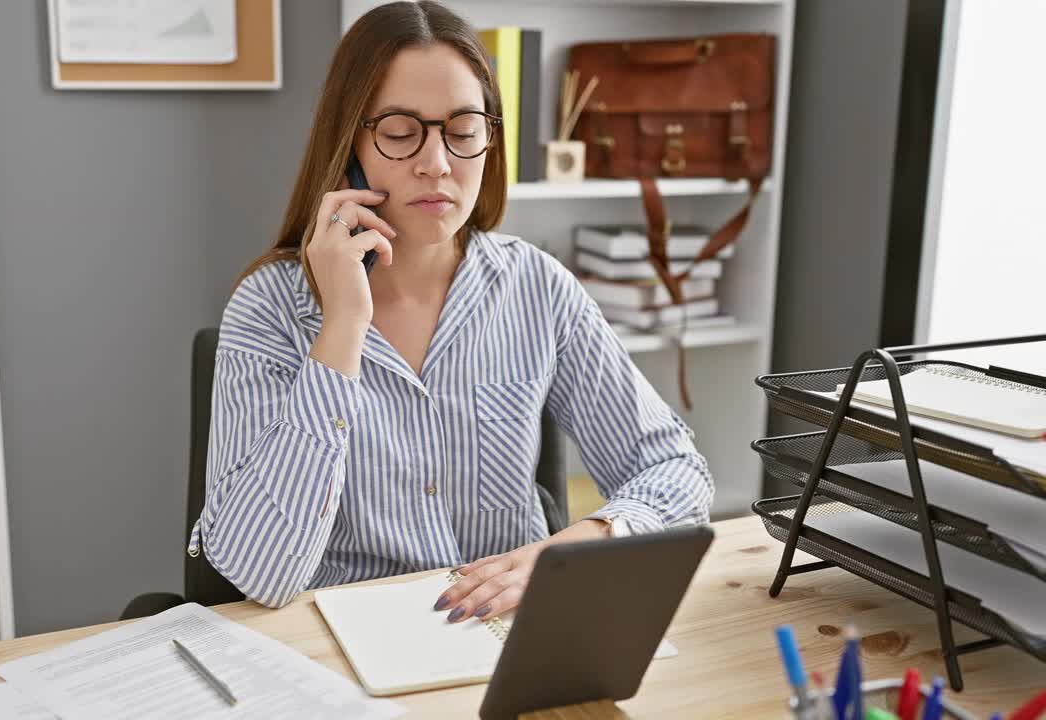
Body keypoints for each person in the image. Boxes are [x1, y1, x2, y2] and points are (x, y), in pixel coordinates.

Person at [187, 1, 712, 622]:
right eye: (401, 130)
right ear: (349, 141)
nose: (436, 163)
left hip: (507, 637)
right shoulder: (270, 306)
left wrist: (577, 548)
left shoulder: (535, 286)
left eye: (462, 130)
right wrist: (343, 329)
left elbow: (677, 473)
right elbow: (261, 573)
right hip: (337, 645)